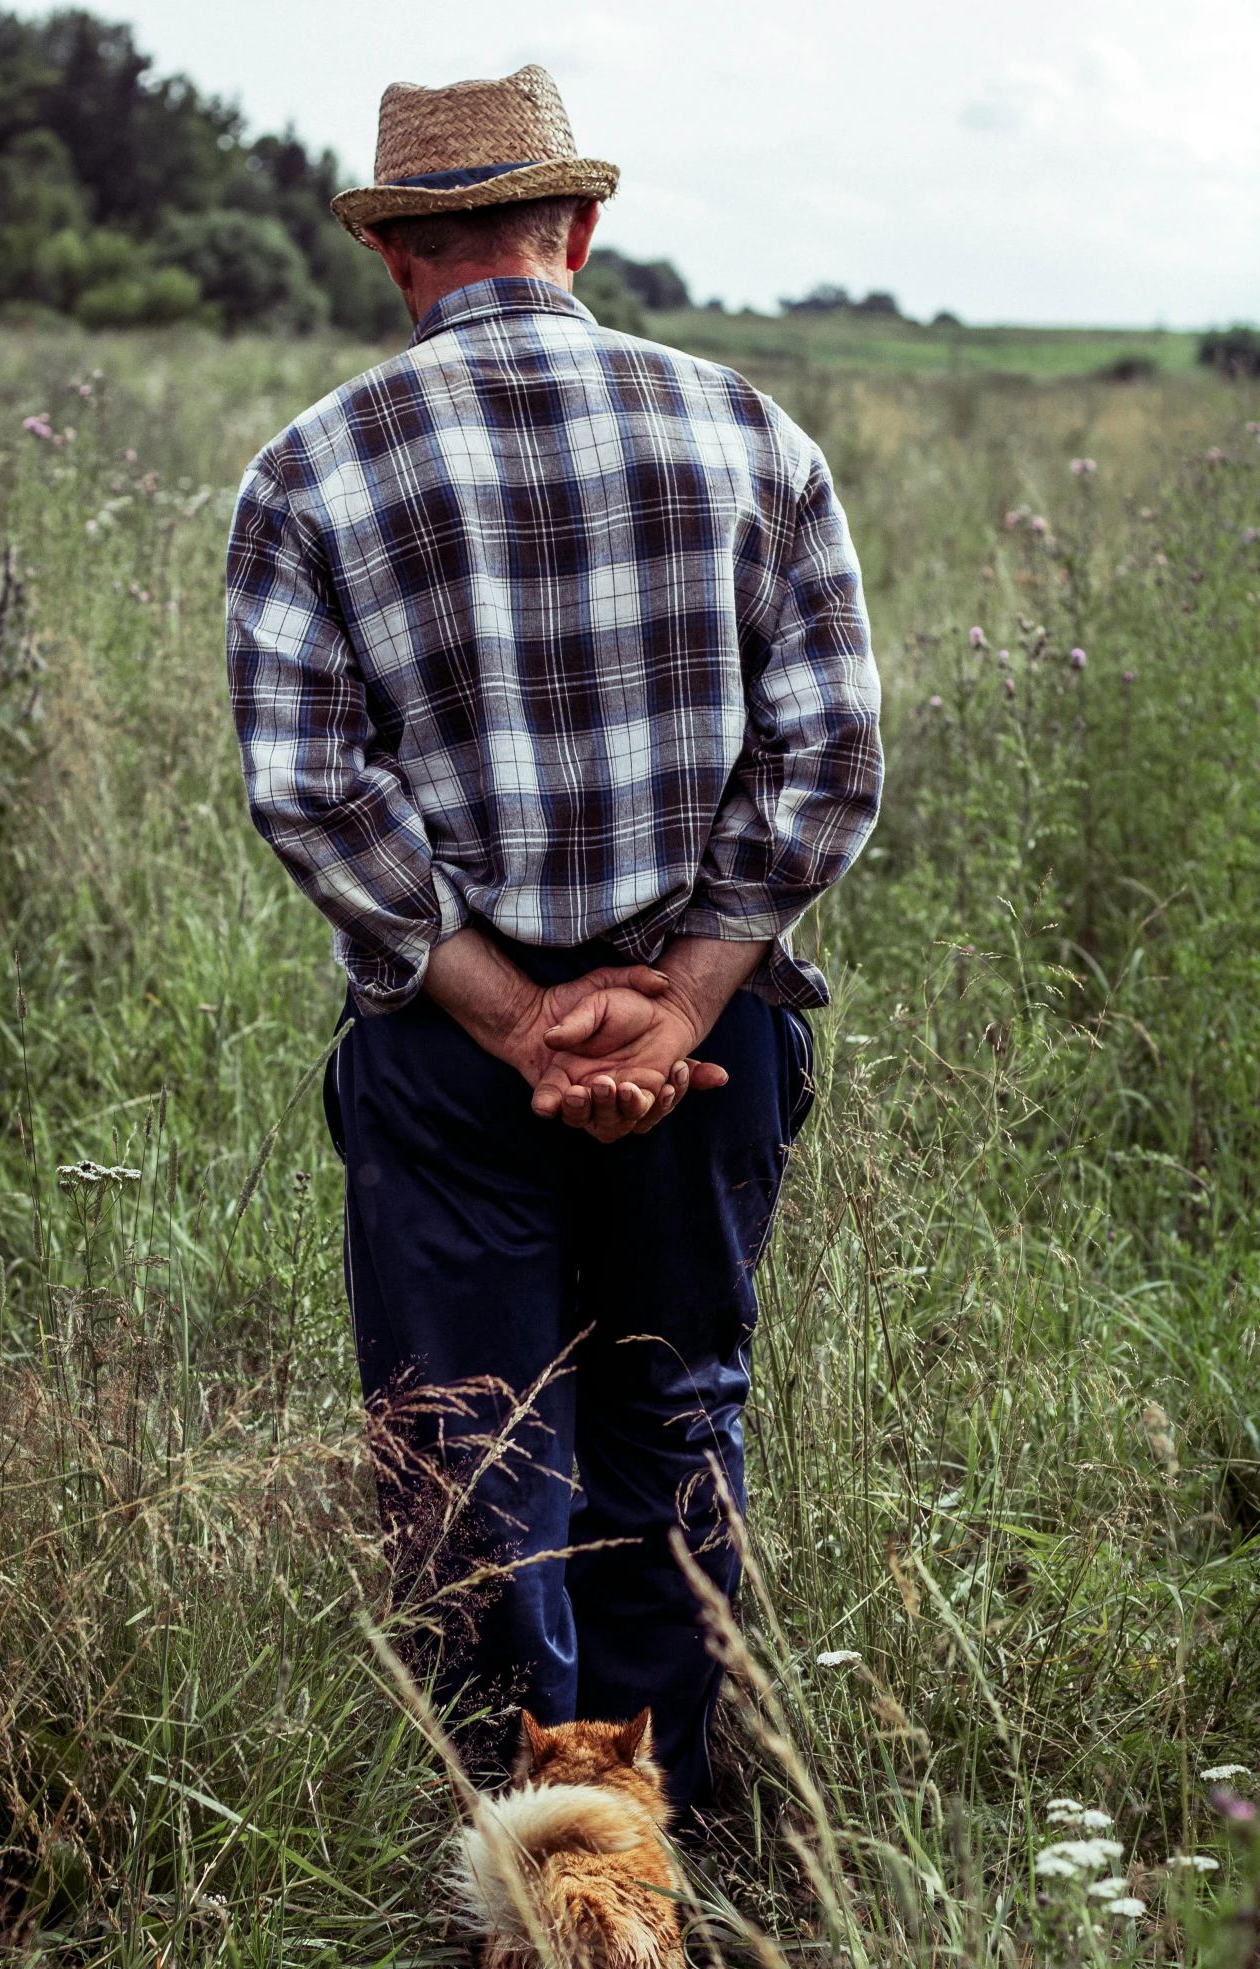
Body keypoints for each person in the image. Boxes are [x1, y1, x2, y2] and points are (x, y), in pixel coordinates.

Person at [226, 65, 882, 1819]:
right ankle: (652, 1855)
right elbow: (831, 763)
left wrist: (518, 1023)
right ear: (575, 228)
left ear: (395, 256)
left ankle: (525, 1864)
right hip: (713, 1042)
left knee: (471, 1444)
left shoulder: (310, 470)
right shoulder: (752, 435)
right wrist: (674, 1008)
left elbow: (309, 793)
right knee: (673, 1421)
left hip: (451, 1056)